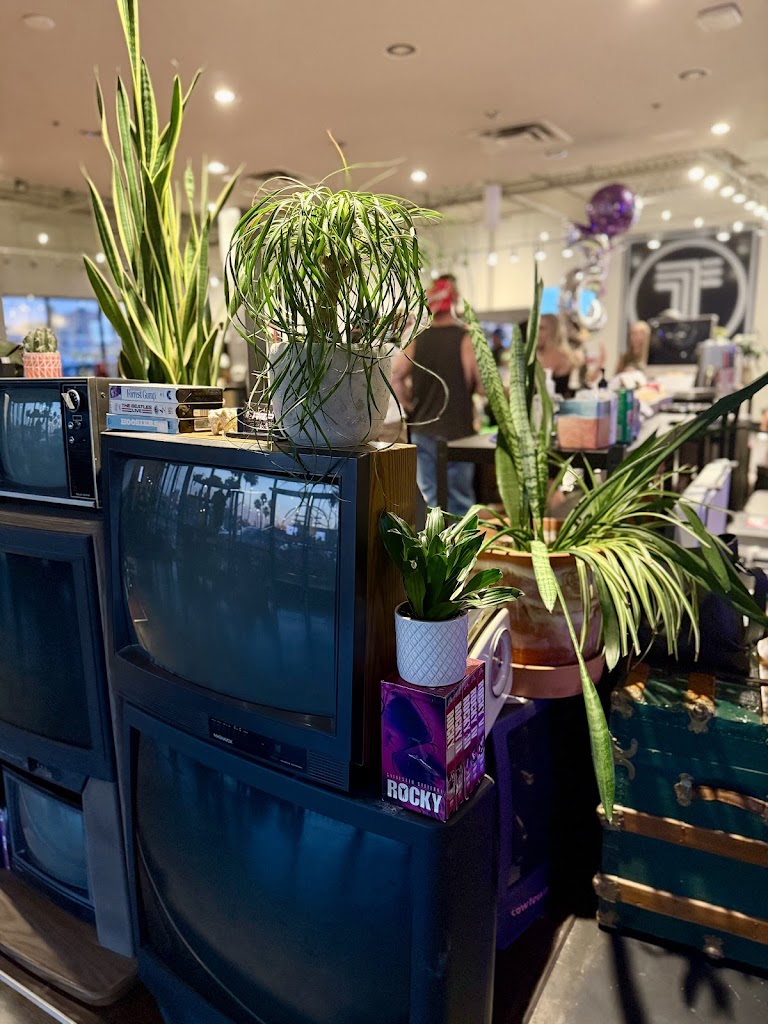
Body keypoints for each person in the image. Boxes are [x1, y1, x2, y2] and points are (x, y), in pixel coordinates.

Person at [391, 275, 482, 516]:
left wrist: (409, 405)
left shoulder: (418, 339)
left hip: (423, 428)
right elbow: (482, 385)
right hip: (458, 430)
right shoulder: (465, 338)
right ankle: (462, 541)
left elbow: (395, 376)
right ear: (455, 301)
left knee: (430, 500)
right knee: (460, 501)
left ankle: (433, 541)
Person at [536, 313, 584, 397]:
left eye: (541, 328)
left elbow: (537, 384)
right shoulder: (563, 352)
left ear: (553, 331)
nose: (536, 333)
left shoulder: (554, 354)